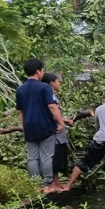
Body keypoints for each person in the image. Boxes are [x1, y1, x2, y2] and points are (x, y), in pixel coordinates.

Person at [15, 59, 64, 193]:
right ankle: (47, 185)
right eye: (42, 70)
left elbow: (21, 111)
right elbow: (52, 106)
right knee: (46, 157)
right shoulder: (45, 87)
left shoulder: (20, 89)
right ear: (38, 71)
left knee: (32, 157)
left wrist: (24, 127)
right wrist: (61, 123)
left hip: (29, 126)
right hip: (45, 126)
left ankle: (35, 186)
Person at [41, 73, 76, 191]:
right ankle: (51, 184)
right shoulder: (49, 96)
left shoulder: (48, 95)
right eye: (58, 81)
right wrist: (62, 123)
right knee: (54, 158)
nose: (59, 84)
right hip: (54, 132)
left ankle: (56, 182)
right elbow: (53, 112)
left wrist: (64, 120)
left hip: (55, 131)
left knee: (57, 157)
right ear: (51, 83)